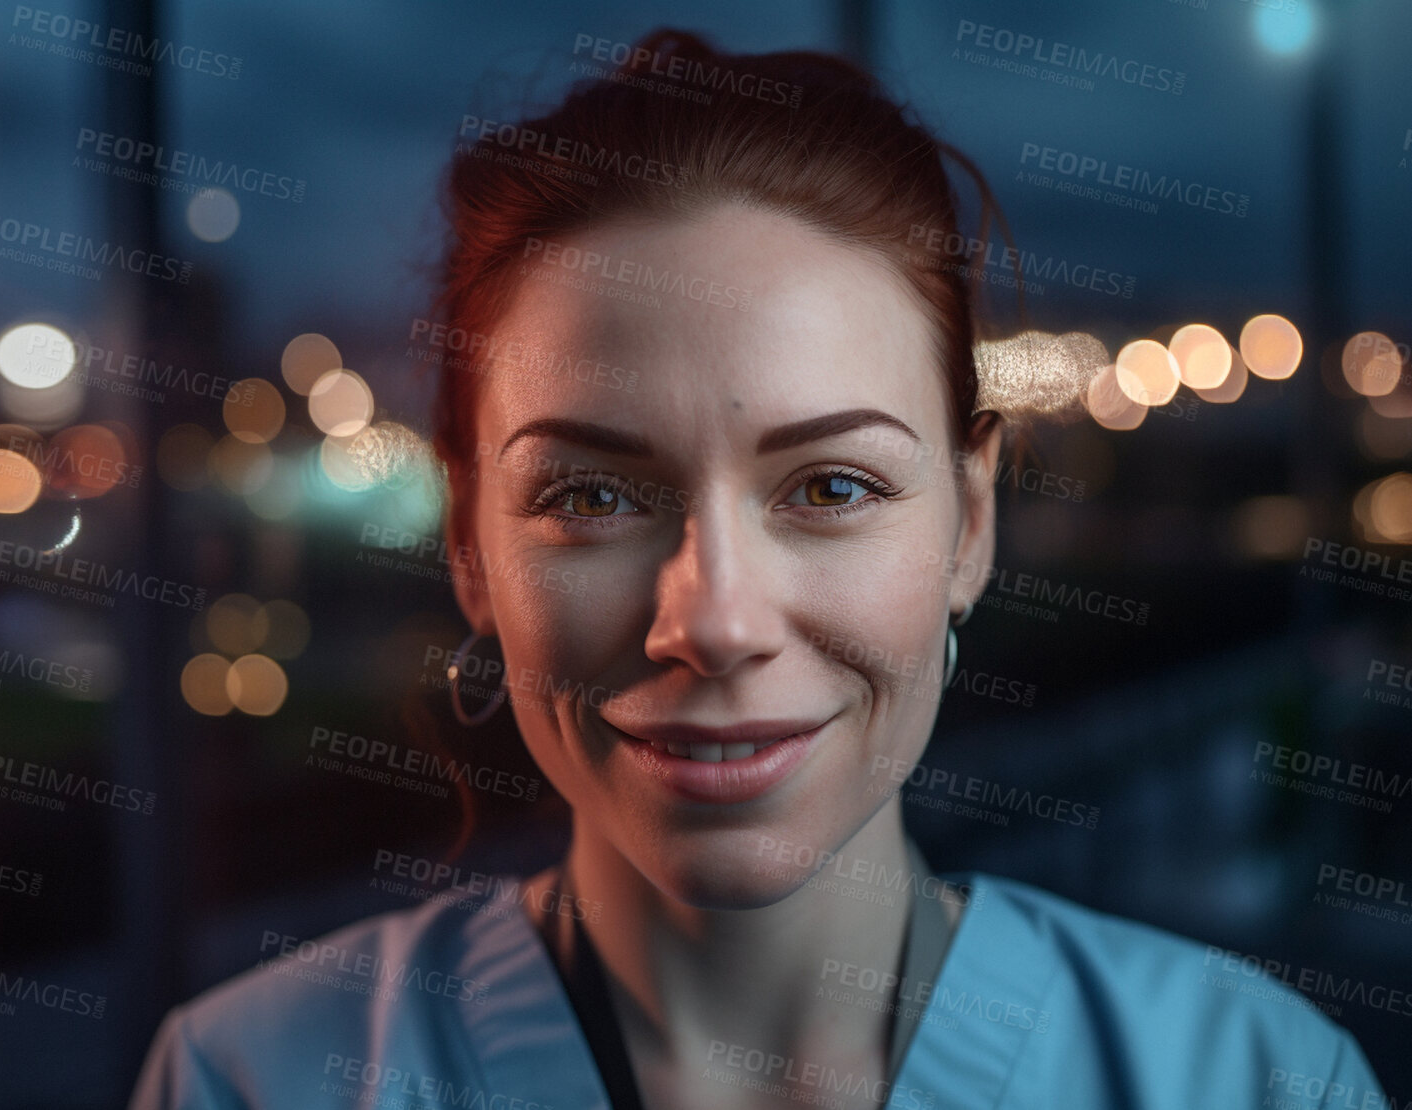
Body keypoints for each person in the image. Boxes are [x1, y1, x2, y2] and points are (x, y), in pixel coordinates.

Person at [129, 29, 1387, 1110]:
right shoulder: (251, 1081)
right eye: (591, 495)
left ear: (967, 524)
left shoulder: (1251, 1080)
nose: (715, 619)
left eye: (832, 489)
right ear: (469, 545)